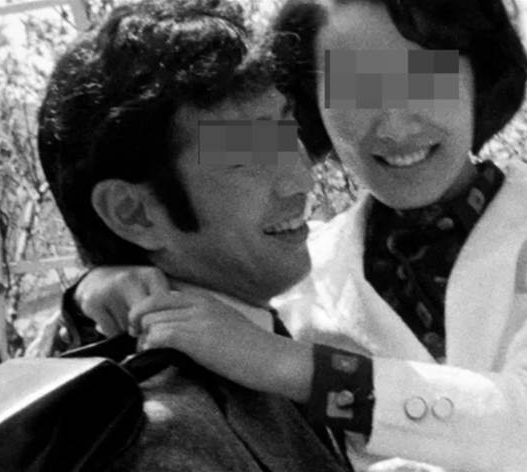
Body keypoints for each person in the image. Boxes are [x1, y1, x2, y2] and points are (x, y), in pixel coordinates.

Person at [60, 0, 527, 470]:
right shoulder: (295, 268)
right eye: (356, 89)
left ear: (478, 74)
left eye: (424, 78)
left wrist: (287, 366)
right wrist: (96, 287)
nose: (394, 122)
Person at [36, 0, 352, 470]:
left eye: (286, 129)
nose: (301, 179)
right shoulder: (166, 437)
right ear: (133, 213)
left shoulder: (259, 324)